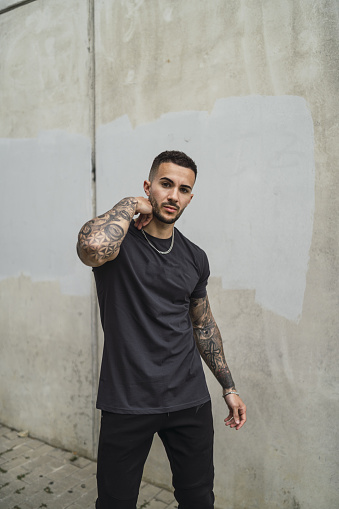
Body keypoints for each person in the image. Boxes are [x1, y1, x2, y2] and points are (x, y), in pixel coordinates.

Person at [77, 150, 246, 509]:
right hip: (128, 399)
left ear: (190, 197)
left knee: (198, 499)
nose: (174, 196)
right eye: (166, 184)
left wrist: (228, 386)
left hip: (189, 399)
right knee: (115, 502)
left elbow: (203, 324)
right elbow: (91, 247)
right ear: (148, 186)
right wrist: (129, 205)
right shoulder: (119, 244)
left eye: (184, 189)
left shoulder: (195, 257)